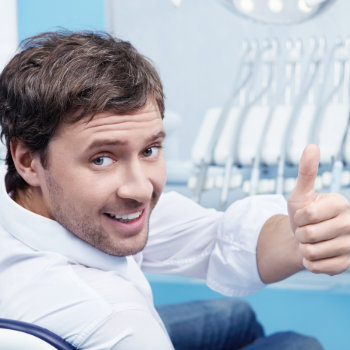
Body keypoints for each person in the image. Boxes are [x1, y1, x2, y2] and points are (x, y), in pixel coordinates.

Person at [0, 31, 348, 350]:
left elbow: (215, 240)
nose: (139, 189)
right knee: (297, 345)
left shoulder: (35, 205)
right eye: (102, 158)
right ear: (28, 160)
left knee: (233, 314)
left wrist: (299, 237)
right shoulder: (119, 320)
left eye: (149, 150)